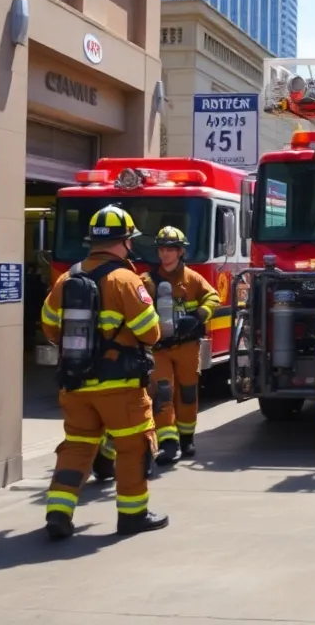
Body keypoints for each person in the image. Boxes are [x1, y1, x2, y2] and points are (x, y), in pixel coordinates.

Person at [40, 204, 168, 540]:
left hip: (76, 385)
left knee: (78, 447)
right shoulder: (126, 280)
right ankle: (133, 516)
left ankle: (58, 512)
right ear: (124, 241)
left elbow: (50, 326)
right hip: (121, 388)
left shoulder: (67, 279)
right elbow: (150, 333)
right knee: (133, 448)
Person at [144, 225, 219, 465]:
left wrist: (199, 315)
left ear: (180, 252)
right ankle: (168, 443)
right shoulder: (146, 281)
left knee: (187, 393)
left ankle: (187, 438)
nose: (165, 254)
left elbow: (213, 297)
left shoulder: (192, 278)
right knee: (163, 392)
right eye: (162, 249)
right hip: (160, 348)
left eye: (170, 249)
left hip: (187, 346)